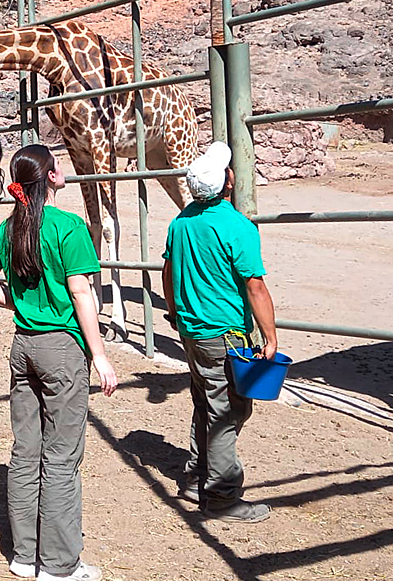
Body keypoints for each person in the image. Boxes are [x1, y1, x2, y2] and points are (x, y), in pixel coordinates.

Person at [0, 144, 117, 581]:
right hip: (61, 348)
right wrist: (100, 356)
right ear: (52, 177)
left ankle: (24, 556)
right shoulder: (69, 227)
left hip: (23, 345)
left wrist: (21, 306)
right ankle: (59, 564)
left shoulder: (10, 226)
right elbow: (80, 294)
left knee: (25, 453)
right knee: (61, 459)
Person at [162, 141, 277, 523]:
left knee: (204, 401)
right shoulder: (238, 227)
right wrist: (271, 336)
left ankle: (197, 476)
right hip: (226, 334)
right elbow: (255, 286)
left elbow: (167, 272)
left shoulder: (180, 223)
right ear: (228, 183)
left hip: (192, 332)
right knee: (228, 410)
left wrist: (175, 311)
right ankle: (223, 495)